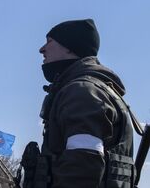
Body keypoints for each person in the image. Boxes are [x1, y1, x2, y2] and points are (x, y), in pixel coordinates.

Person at [34, 19, 134, 187]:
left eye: (49, 41)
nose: (42, 49)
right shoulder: (94, 88)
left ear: (69, 47)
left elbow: (83, 166)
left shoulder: (83, 92)